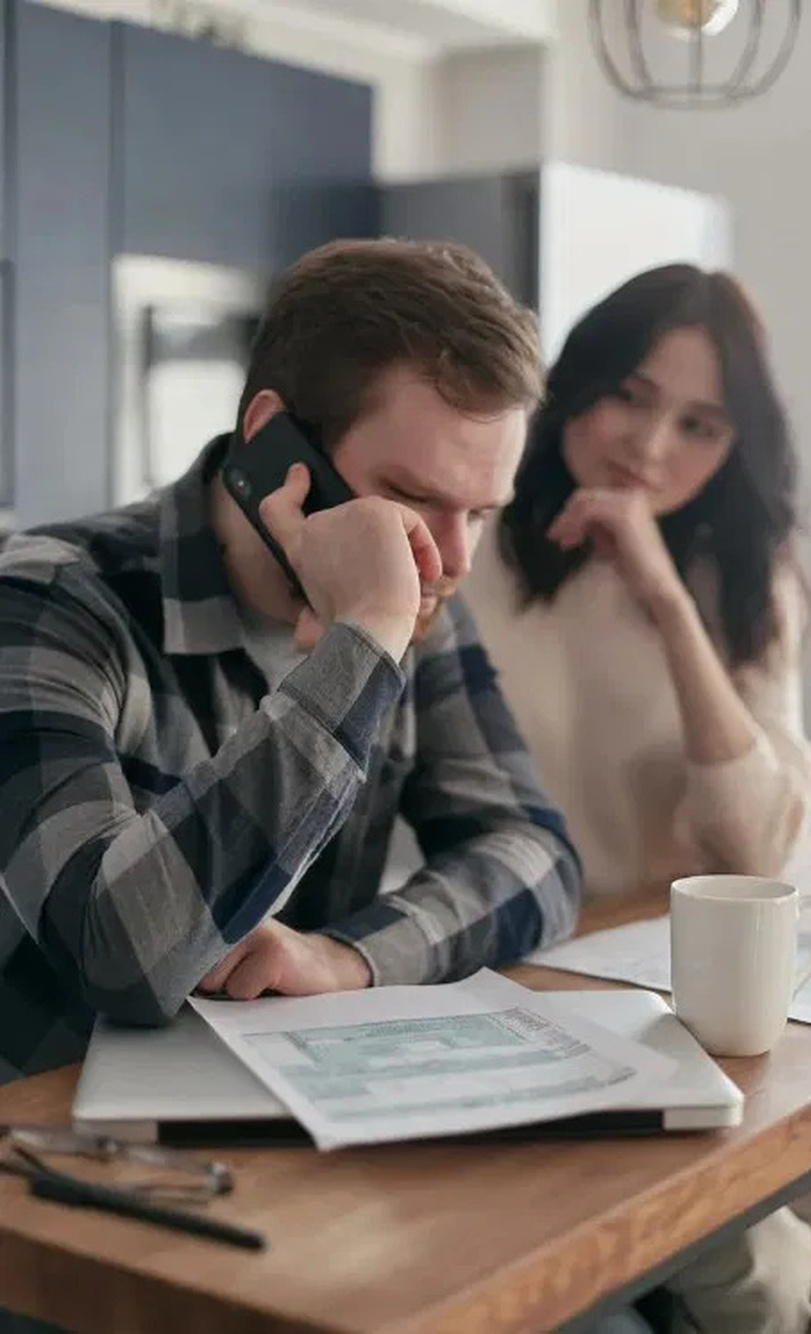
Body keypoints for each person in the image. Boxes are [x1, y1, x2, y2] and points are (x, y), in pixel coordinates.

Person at [0, 237, 583, 1088]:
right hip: (51, 1158)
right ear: (274, 443)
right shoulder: (45, 598)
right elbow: (118, 953)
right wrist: (361, 643)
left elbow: (536, 854)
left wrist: (346, 960)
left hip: (289, 1133)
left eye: (481, 513)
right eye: (414, 496)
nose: (451, 557)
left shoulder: (424, 604)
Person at [465, 264, 811, 1333]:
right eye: (630, 396)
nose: (648, 448)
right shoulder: (474, 550)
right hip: (536, 990)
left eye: (698, 423)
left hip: (715, 994)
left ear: (736, 447)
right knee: (764, 1283)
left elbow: (752, 846)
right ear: (577, 383)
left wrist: (661, 594)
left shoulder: (750, 585)